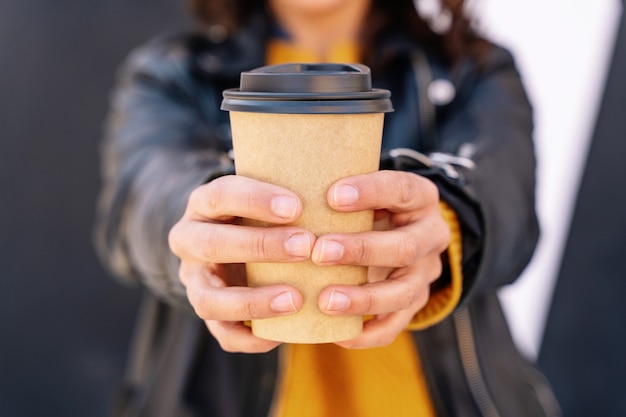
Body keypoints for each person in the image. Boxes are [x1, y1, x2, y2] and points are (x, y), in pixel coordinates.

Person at [94, 0, 561, 416]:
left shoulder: (472, 68)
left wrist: (443, 226)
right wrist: (200, 222)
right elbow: (142, 192)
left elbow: (506, 193)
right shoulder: (172, 74)